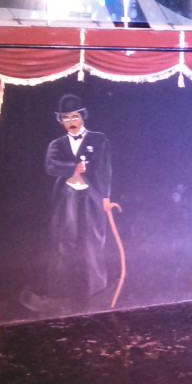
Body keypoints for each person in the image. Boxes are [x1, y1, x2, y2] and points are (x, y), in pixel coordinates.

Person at [22, 94, 114, 313]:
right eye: (66, 118)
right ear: (61, 121)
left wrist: (105, 198)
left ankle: (96, 293)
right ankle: (61, 294)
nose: (71, 122)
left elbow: (104, 170)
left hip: (91, 199)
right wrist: (73, 168)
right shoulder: (56, 144)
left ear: (82, 117)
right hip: (66, 199)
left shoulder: (99, 139)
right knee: (63, 243)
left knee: (92, 243)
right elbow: (50, 166)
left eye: (74, 117)